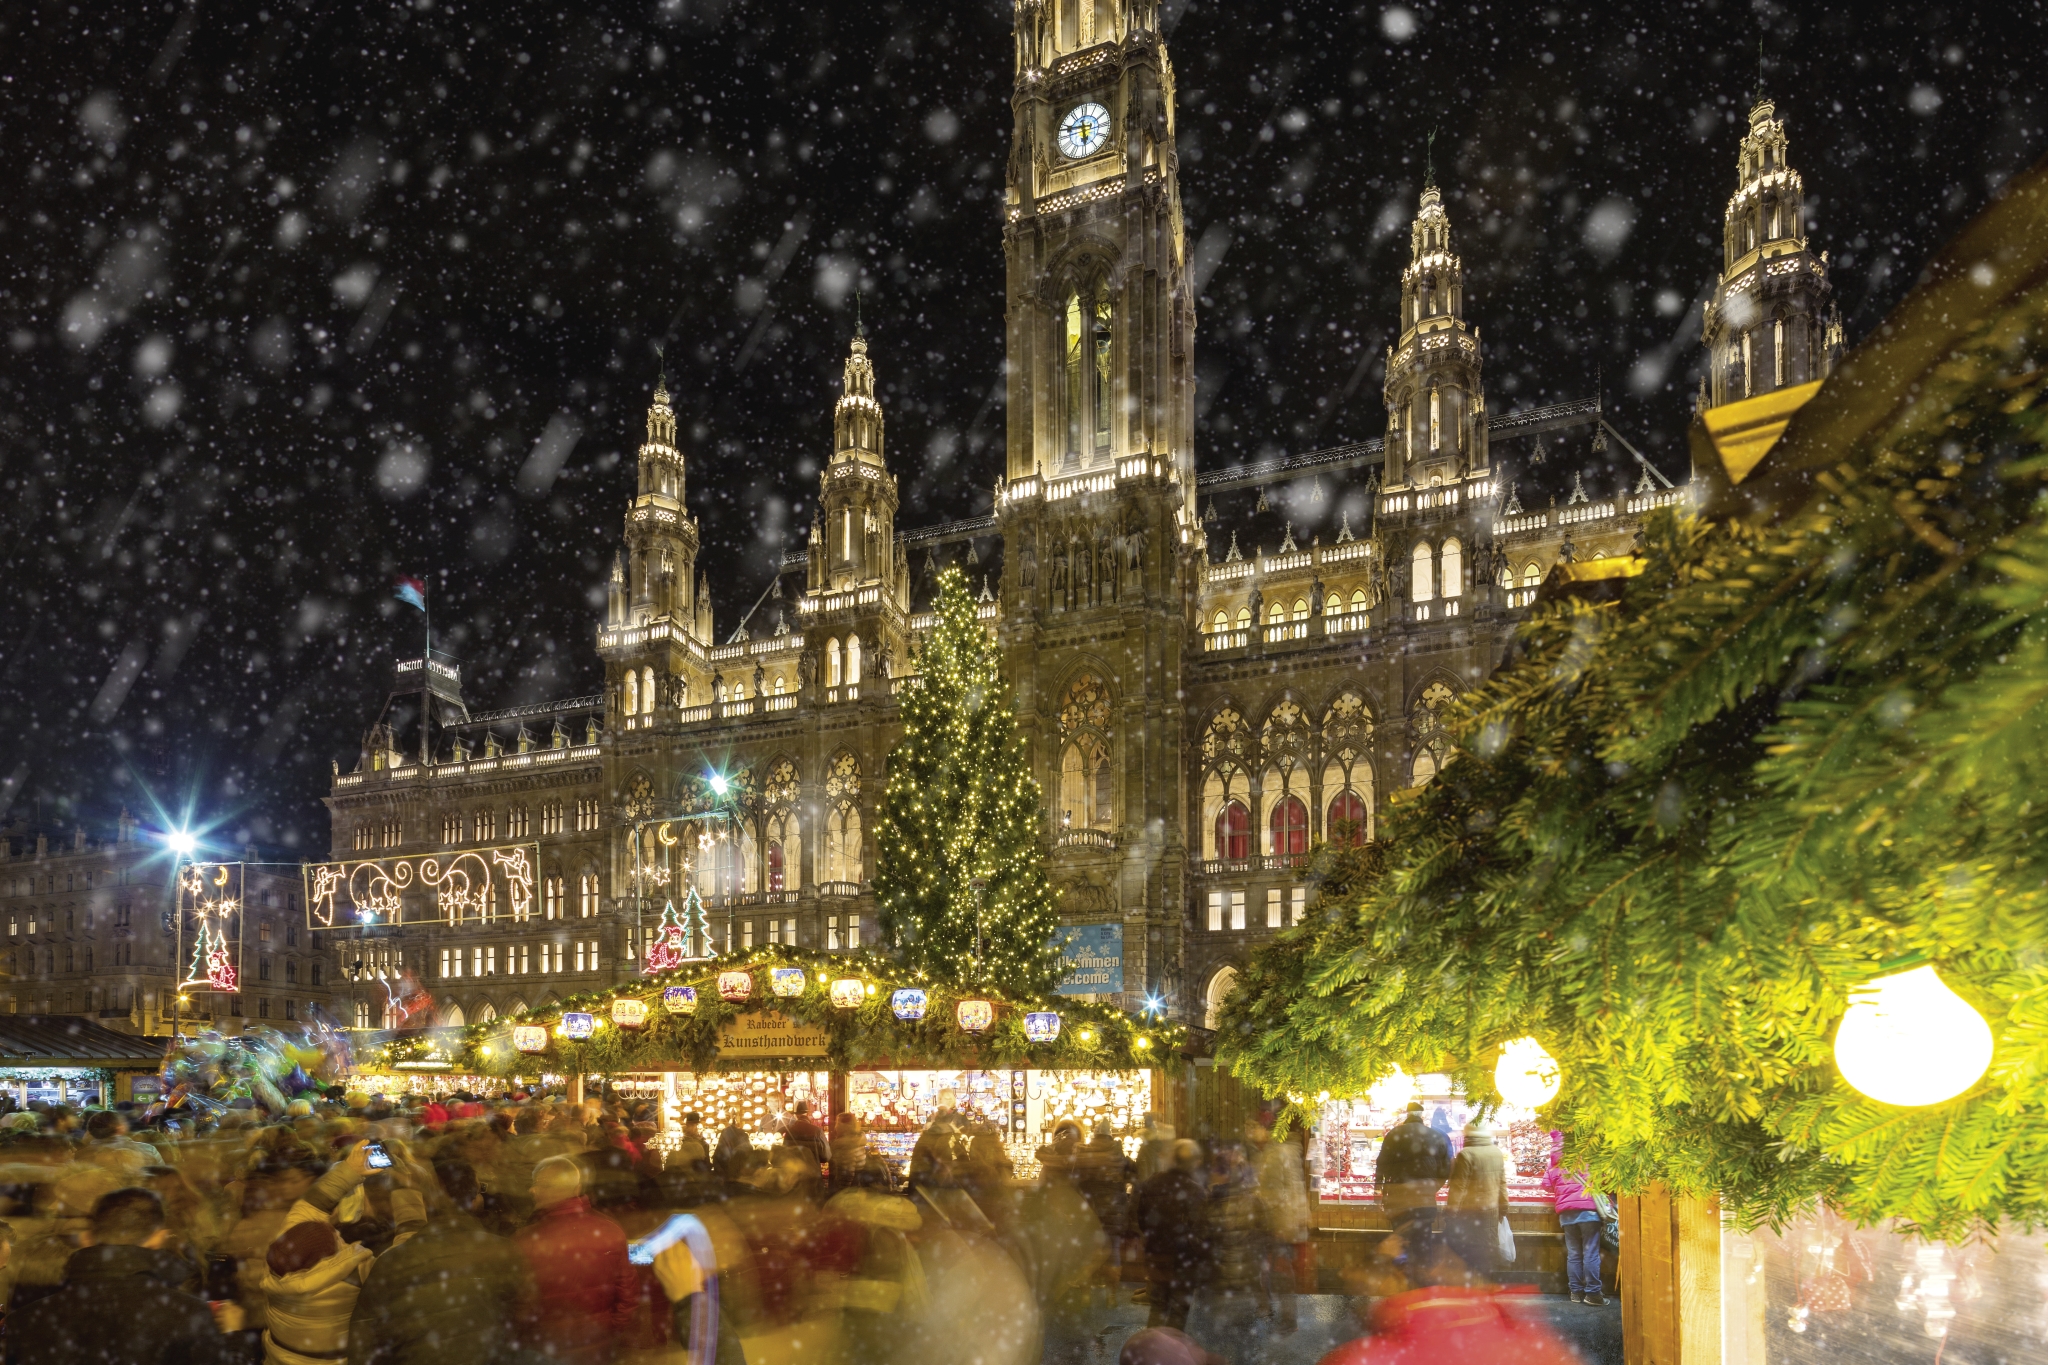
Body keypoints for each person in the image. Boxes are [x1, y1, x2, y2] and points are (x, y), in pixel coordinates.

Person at [9, 1187, 242, 1365]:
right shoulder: (188, 1314)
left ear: (89, 1237)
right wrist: (232, 1338)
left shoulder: (26, 1320)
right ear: (158, 1238)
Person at [344, 1159, 534, 1365]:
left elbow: (365, 1334)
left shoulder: (393, 1260)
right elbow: (524, 1317)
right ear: (474, 1199)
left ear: (427, 1202)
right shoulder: (505, 1251)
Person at [512, 1157, 640, 1365]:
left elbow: (521, 1302)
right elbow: (627, 1289)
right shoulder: (609, 1229)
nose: (532, 1190)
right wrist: (612, 1328)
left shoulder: (525, 1239)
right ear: (577, 1188)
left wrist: (528, 1335)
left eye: (539, 1184)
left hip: (547, 1345)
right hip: (597, 1341)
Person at [1135, 1140, 1211, 1331]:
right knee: (1178, 1311)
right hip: (1183, 1261)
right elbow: (1201, 1229)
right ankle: (1172, 1353)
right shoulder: (1195, 1191)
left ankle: (1151, 1350)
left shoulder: (1151, 1184)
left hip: (1156, 1257)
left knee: (1158, 1307)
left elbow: (1141, 1219)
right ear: (1193, 1163)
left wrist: (1155, 1240)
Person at [1372, 1102, 1451, 1248]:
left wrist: (1379, 1189)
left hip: (1398, 1198)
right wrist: (1432, 1187)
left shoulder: (1394, 1134)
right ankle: (1421, 1267)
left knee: (1399, 1243)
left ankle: (1402, 1268)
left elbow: (1382, 1163)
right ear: (1422, 1115)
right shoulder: (1436, 1136)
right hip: (1424, 1200)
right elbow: (1446, 1169)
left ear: (1407, 1114)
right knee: (1423, 1242)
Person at [1540, 1132, 1605, 1305]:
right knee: (1590, 1253)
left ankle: (1575, 1292)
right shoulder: (1591, 1156)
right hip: (1589, 1211)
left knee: (1574, 1254)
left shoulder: (1554, 1162)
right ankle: (1593, 1294)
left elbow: (1546, 1185)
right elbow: (1606, 1180)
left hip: (1567, 1213)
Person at [1443, 1118, 1510, 1280]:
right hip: (1491, 1213)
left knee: (1469, 1254)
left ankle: (1470, 1290)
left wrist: (1450, 1212)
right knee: (1486, 1253)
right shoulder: (1496, 1152)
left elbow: (1458, 1189)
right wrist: (1503, 1208)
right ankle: (1485, 1289)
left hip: (1470, 1215)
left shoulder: (1466, 1155)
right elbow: (1502, 1183)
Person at [777, 1100, 829, 1170]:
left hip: (793, 1172)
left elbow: (783, 1153)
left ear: (795, 1115)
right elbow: (826, 1156)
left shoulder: (787, 1131)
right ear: (807, 1114)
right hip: (812, 1172)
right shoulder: (817, 1131)